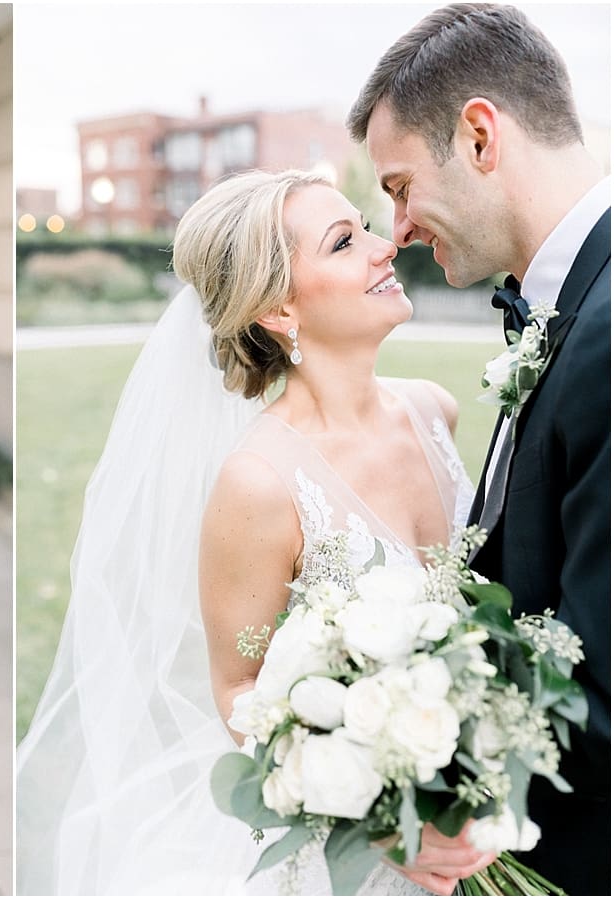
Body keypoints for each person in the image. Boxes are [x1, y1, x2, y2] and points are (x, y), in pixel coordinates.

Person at [16, 169, 495, 895]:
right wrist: (383, 812)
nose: (383, 247)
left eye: (363, 227)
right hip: (359, 858)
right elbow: (239, 688)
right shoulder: (260, 482)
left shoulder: (435, 411)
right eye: (344, 243)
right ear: (278, 308)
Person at [348, 5, 610, 895]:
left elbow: (598, 676)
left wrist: (412, 789)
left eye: (398, 185)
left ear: (480, 136)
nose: (400, 229)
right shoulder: (567, 307)